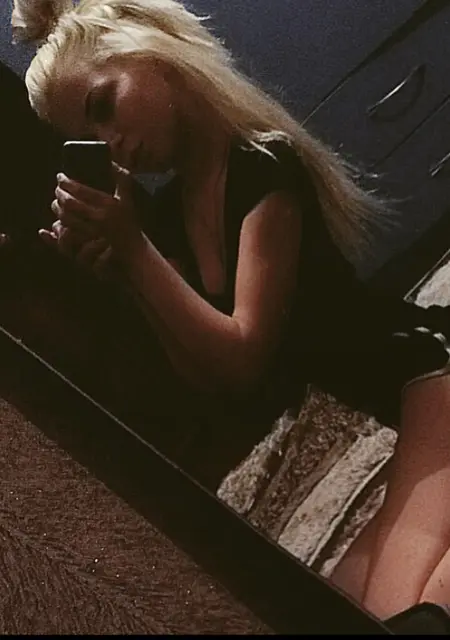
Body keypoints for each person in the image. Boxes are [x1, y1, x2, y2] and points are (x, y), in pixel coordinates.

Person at [10, 0, 450, 623]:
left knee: (408, 614)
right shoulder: (168, 216)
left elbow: (242, 354)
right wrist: (127, 275)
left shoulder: (261, 165)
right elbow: (210, 382)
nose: (112, 146)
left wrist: (135, 253)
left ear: (154, 54)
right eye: (89, 138)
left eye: (104, 106)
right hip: (368, 402)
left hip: (418, 374)